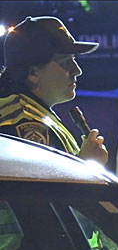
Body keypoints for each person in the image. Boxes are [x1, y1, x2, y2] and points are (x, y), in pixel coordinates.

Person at [0, 16, 108, 165]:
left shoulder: (22, 110)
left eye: (74, 59)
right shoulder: (26, 124)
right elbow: (39, 187)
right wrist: (87, 165)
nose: (77, 70)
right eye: (65, 61)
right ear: (33, 73)